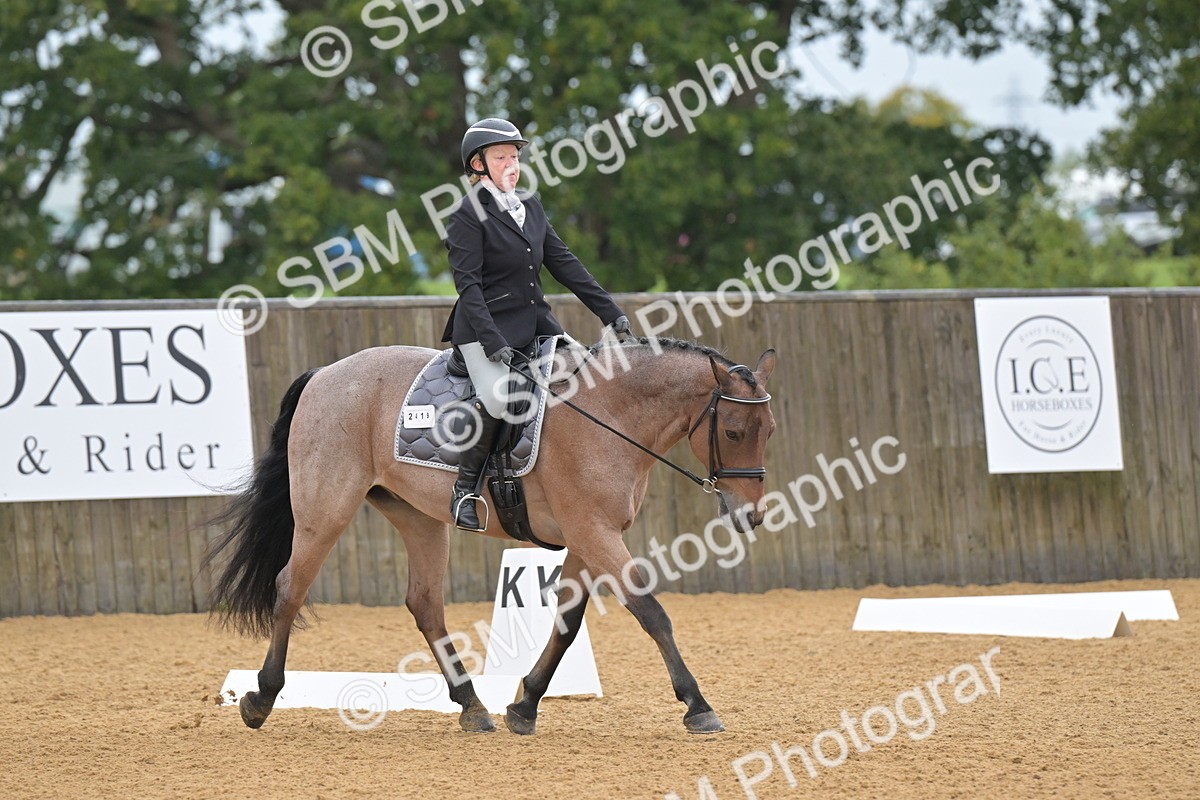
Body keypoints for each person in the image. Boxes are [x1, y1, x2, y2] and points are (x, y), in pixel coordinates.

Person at [441, 117, 634, 531]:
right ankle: (466, 490)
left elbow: (564, 262)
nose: (512, 163)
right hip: (482, 331)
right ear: (478, 165)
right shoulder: (465, 215)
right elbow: (468, 287)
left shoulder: (529, 205)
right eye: (501, 157)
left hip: (537, 325)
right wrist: (492, 341)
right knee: (497, 397)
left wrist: (609, 311)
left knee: (588, 376)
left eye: (515, 156)